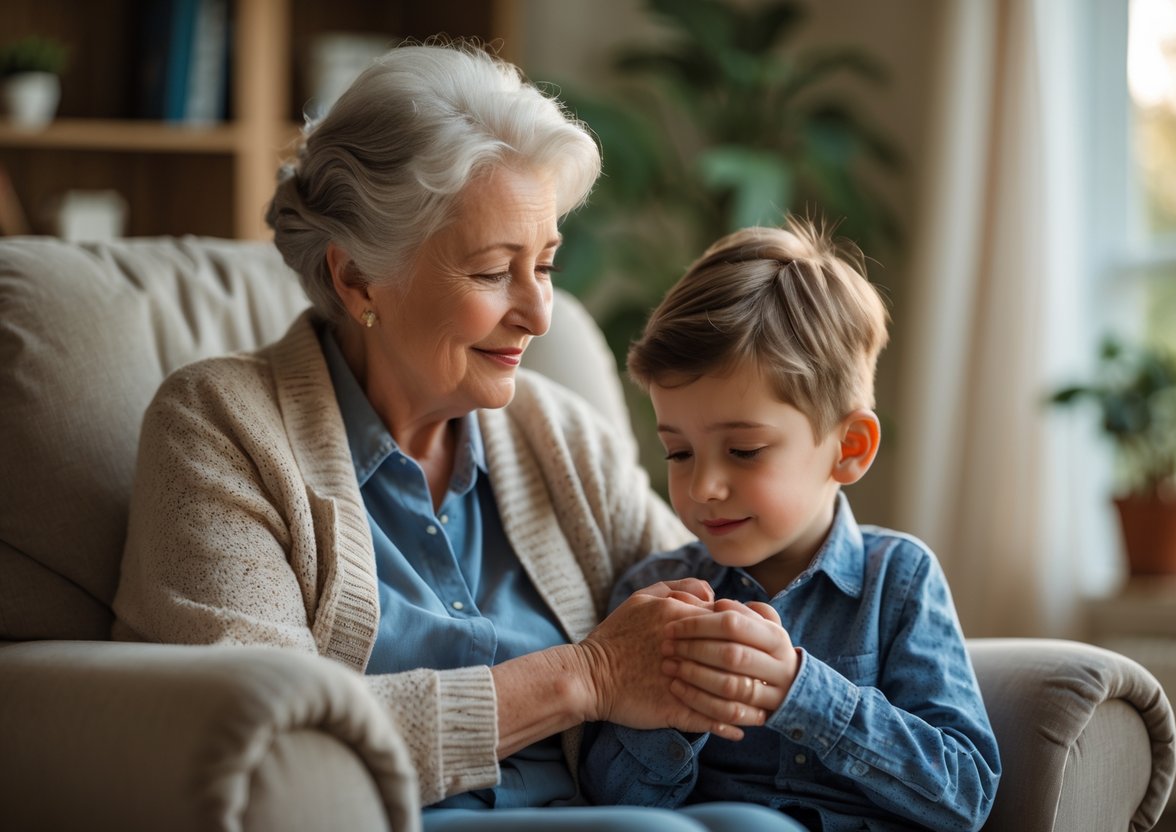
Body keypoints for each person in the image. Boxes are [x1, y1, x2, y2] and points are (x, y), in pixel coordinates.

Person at [111, 40, 809, 832]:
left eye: (543, 265)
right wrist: (586, 676)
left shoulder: (558, 433)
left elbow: (705, 601)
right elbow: (272, 737)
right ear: (356, 278)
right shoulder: (220, 425)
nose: (540, 313)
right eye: (490, 272)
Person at [579, 219, 1002, 831]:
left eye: (744, 451)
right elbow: (605, 804)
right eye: (678, 452)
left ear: (849, 448)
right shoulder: (656, 597)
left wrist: (800, 692)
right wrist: (675, 711)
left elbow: (965, 794)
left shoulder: (899, 580)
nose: (702, 488)